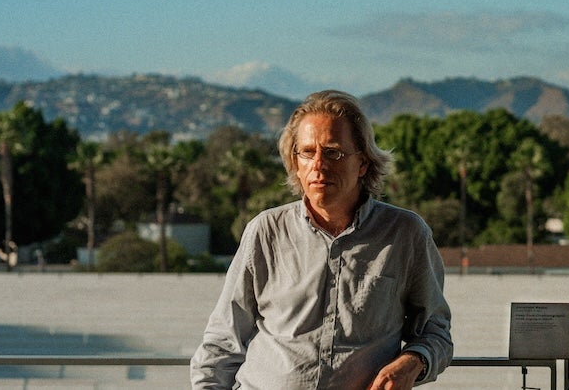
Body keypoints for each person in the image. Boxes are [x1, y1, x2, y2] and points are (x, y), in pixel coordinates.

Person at [191, 90, 453, 389]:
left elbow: (436, 332)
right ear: (296, 163)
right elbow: (223, 340)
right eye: (307, 152)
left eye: (333, 152)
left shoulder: (405, 233)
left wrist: (412, 362)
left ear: (363, 163)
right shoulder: (266, 231)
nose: (319, 164)